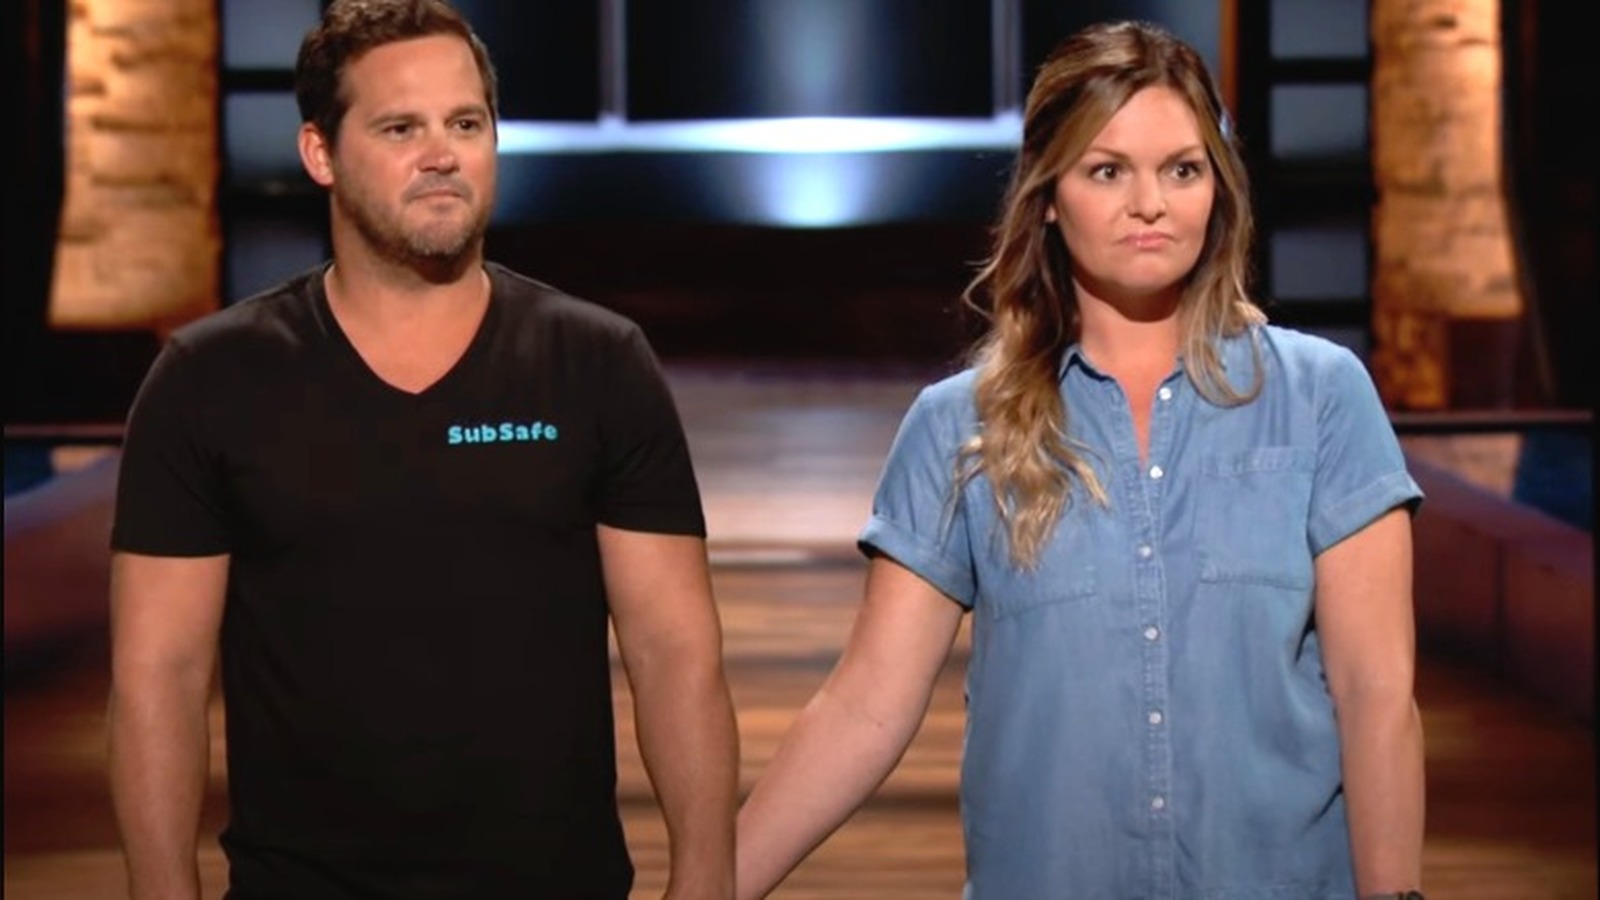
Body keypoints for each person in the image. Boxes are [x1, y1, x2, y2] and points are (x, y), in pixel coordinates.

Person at [736, 19, 1426, 900]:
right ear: (1049, 197)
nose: (1151, 204)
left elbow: (1376, 694)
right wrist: (709, 886)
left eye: (1183, 169)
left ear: (1218, 189)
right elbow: (866, 705)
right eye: (1108, 171)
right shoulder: (960, 429)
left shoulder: (1320, 397)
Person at [106, 2, 738, 897]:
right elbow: (157, 678)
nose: (442, 154)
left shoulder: (598, 362)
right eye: (401, 128)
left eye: (466, 124)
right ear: (320, 153)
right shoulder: (209, 379)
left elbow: (673, 650)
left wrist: (706, 879)